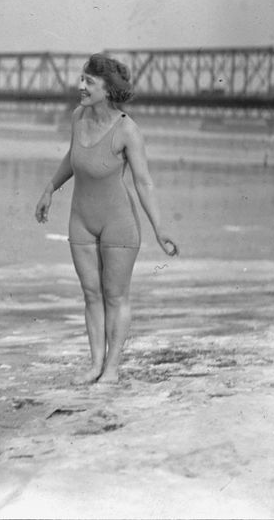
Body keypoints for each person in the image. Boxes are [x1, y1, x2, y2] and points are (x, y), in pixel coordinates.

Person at [35, 54, 179, 384]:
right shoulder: (77, 116)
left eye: (89, 82)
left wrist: (160, 228)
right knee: (91, 294)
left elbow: (143, 182)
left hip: (120, 223)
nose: (80, 86)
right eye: (81, 78)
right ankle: (95, 365)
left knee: (115, 296)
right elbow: (73, 158)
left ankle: (112, 368)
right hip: (81, 219)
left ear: (108, 89)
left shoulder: (128, 129)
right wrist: (49, 189)